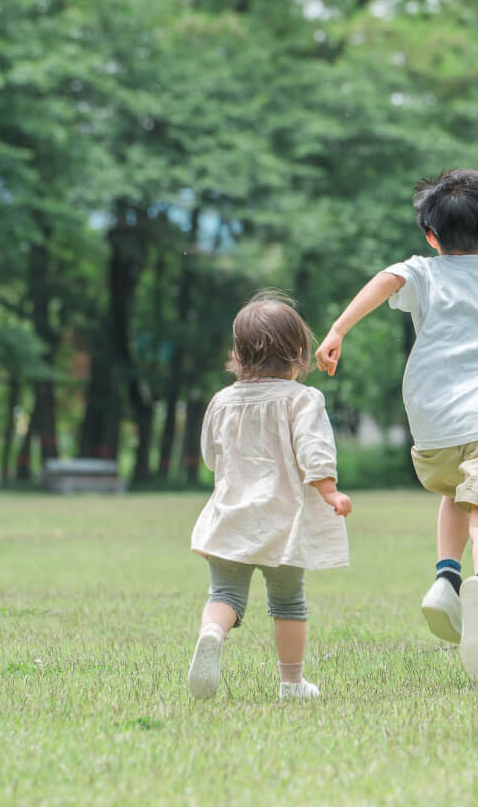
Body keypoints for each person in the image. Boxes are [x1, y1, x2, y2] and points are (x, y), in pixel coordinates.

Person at [315, 169, 478, 683]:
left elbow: (388, 279)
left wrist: (338, 330)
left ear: (430, 236)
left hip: (435, 421)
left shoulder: (425, 272)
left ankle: (447, 576)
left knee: (456, 493)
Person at [186, 290, 352, 701]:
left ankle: (213, 632)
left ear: (237, 354)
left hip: (230, 517)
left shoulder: (222, 401)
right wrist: (329, 491)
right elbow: (315, 451)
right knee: (288, 602)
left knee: (224, 595)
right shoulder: (303, 399)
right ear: (298, 352)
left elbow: (210, 456)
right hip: (284, 521)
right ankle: (291, 684)